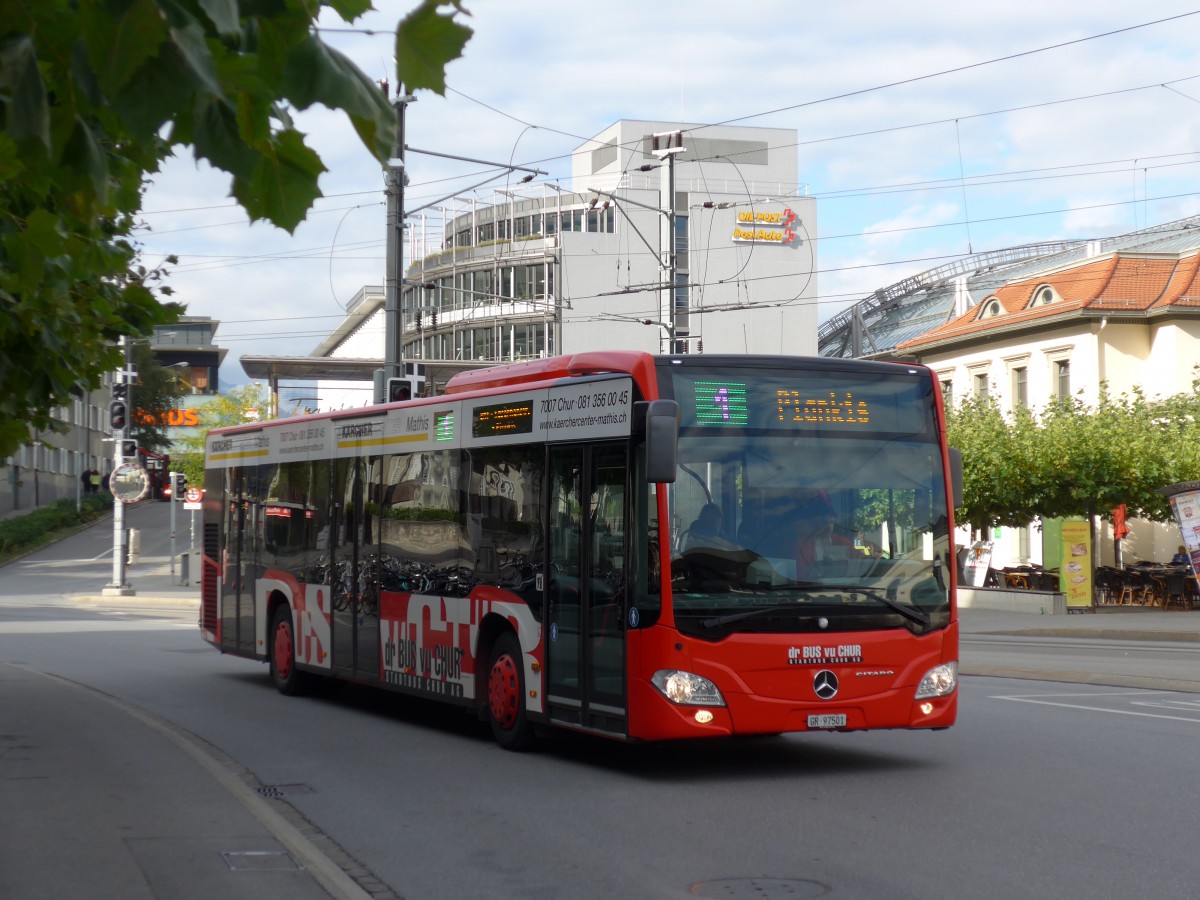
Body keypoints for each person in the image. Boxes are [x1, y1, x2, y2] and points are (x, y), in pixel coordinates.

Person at [795, 507, 855, 578]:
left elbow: (861, 560)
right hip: (811, 587)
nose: (829, 526)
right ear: (815, 523)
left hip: (844, 586)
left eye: (831, 522)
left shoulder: (842, 542)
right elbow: (800, 575)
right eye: (825, 522)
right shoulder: (802, 545)